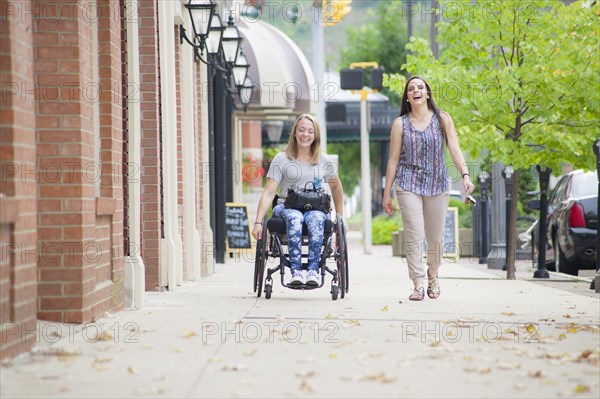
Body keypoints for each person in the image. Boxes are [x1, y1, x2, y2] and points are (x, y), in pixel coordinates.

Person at [382, 76, 475, 301]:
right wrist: (387, 193)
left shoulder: (443, 119)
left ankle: (432, 274)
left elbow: (454, 147)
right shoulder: (399, 124)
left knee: (435, 238)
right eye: (411, 88)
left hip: (437, 183)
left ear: (427, 93)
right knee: (414, 235)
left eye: (420, 87)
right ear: (407, 97)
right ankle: (418, 284)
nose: (416, 91)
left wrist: (465, 175)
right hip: (407, 183)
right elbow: (393, 161)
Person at [252, 114, 344, 286]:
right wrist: (258, 222)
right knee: (295, 217)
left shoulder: (324, 160)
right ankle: (295, 272)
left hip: (315, 209)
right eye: (301, 130)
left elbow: (337, 188)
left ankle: (313, 271)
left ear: (315, 135)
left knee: (316, 218)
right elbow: (268, 192)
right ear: (294, 132)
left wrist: (340, 216)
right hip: (285, 207)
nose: (305, 134)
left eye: (310, 131)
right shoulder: (281, 159)